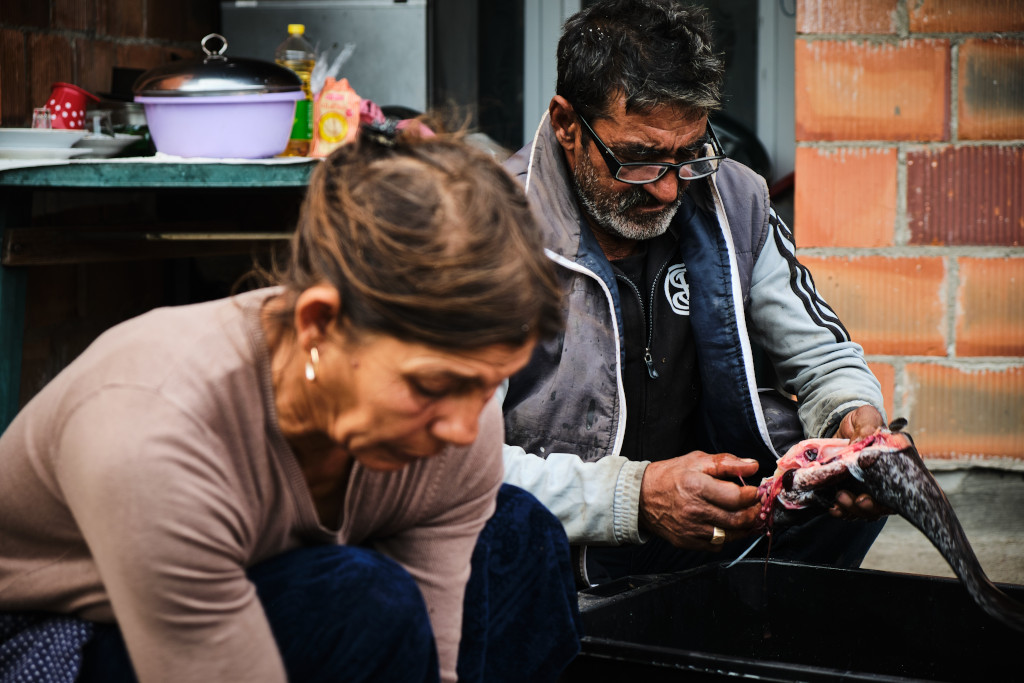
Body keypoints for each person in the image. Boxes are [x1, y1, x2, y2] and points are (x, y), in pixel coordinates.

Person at [0, 126, 581, 682]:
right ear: (318, 324)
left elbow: (438, 655)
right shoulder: (154, 425)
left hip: (261, 585)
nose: (463, 427)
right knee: (363, 600)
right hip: (61, 638)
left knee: (521, 532)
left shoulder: (460, 422)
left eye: (486, 386)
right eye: (432, 386)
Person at [500, 0, 890, 586]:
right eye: (638, 159)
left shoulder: (734, 199)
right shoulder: (485, 230)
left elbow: (822, 356)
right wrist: (635, 496)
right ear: (566, 124)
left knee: (841, 492)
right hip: (560, 543)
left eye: (687, 155)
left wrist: (850, 420)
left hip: (700, 521)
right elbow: (449, 468)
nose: (665, 190)